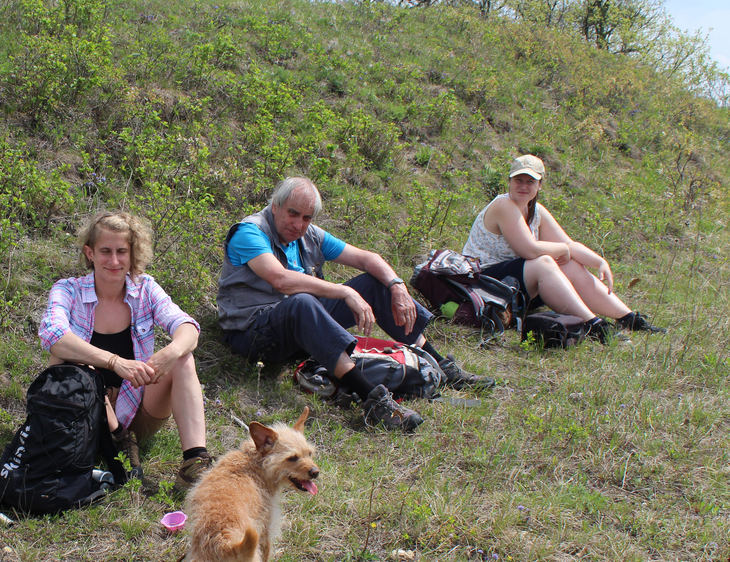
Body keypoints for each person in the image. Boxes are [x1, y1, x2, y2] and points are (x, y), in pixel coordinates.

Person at [217, 177, 494, 432]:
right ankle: (373, 400)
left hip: (301, 325)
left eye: (306, 217)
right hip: (253, 333)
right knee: (302, 302)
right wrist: (344, 291)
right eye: (292, 213)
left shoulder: (309, 234)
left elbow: (367, 259)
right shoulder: (249, 232)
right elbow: (281, 280)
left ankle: (441, 363)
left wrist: (396, 285)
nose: (298, 224)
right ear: (275, 205)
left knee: (375, 283)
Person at [39, 212, 212, 491]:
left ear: (133, 256)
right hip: (82, 418)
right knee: (72, 361)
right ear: (90, 253)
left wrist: (169, 353)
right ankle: (113, 441)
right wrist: (115, 363)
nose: (114, 261)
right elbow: (54, 335)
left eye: (122, 252)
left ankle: (195, 463)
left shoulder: (145, 288)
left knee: (183, 358)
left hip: (136, 411)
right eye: (105, 251)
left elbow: (188, 327)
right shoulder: (67, 290)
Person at [463, 154, 665, 341]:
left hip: (511, 286)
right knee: (544, 262)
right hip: (482, 283)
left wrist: (600, 262)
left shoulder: (535, 210)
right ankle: (594, 327)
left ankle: (628, 319)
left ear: (540, 185)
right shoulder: (503, 205)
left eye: (530, 181)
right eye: (518, 180)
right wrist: (561, 250)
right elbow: (529, 250)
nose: (523, 186)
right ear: (509, 181)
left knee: (567, 264)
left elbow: (568, 244)